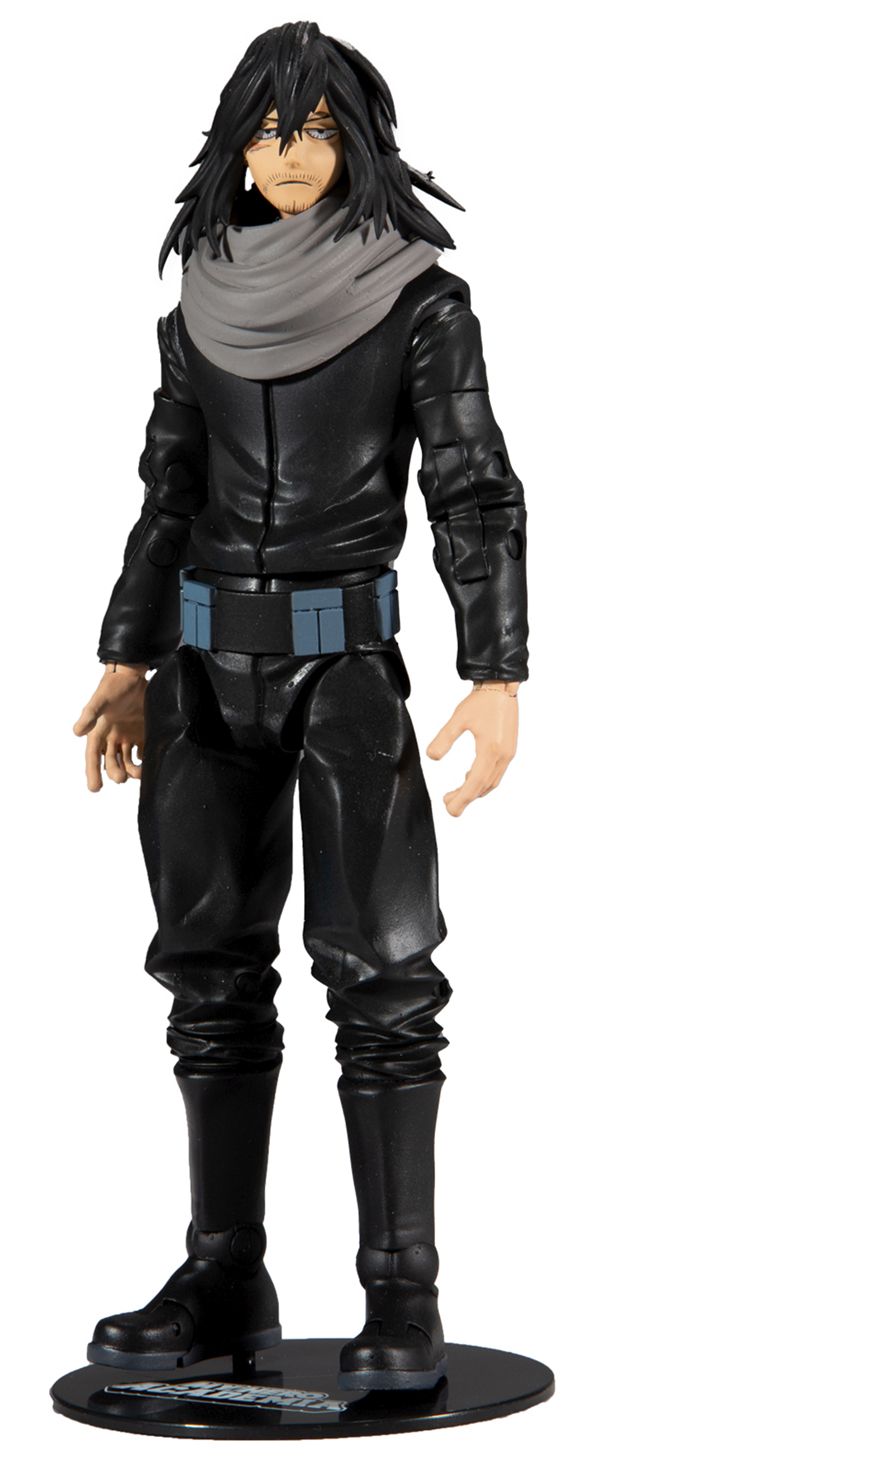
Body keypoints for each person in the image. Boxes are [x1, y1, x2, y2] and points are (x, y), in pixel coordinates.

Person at [72, 21, 528, 1390]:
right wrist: (125, 656)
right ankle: (224, 1275)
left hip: (343, 672)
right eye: (268, 130)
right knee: (207, 975)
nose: (288, 154)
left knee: (383, 974)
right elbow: (167, 494)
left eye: (316, 130)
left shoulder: (420, 303)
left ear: (357, 145)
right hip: (205, 675)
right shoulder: (198, 307)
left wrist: (496, 671)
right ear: (234, 144)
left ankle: (404, 1294)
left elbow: (473, 489)